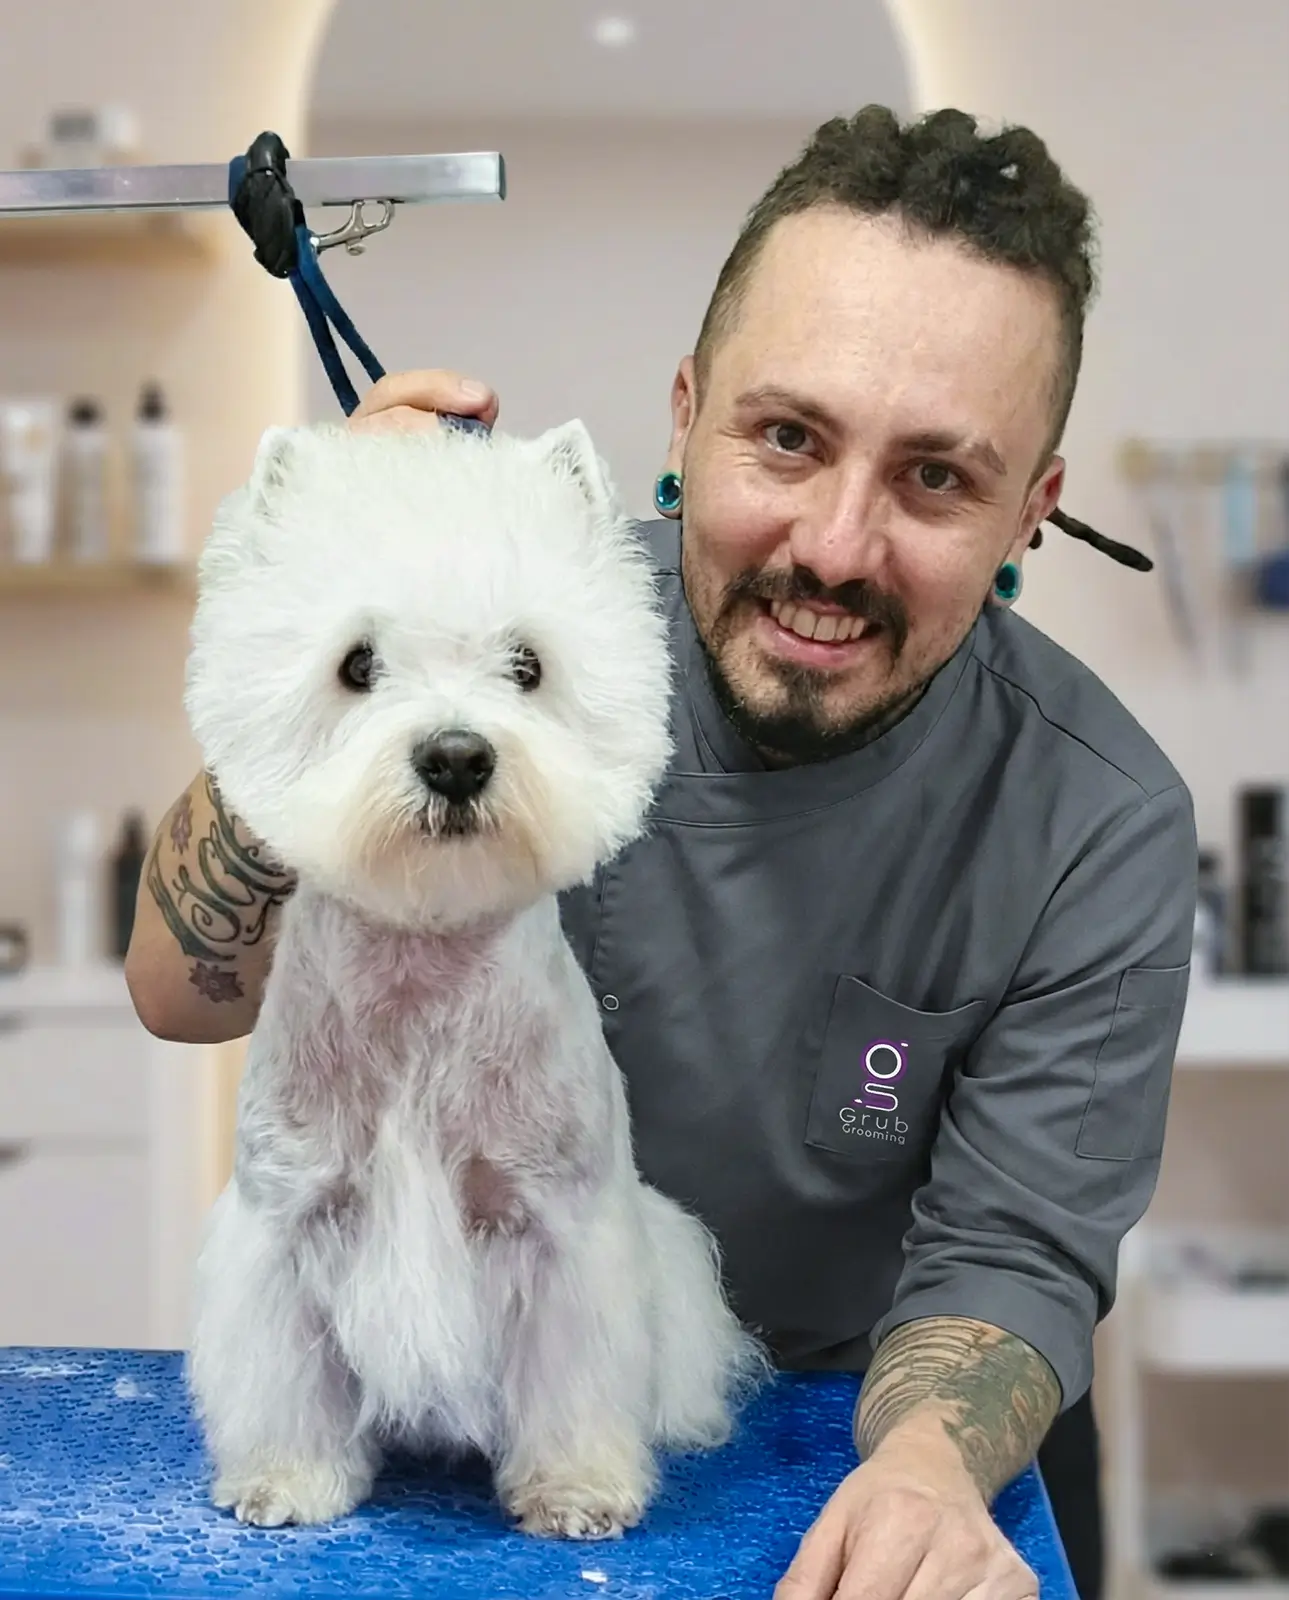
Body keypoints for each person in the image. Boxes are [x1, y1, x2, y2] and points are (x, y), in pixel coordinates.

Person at [125, 106, 1197, 1600]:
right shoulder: (532, 623)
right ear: (685, 417)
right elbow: (175, 994)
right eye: (789, 437)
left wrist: (928, 1474)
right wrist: (309, 629)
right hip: (431, 1462)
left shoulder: (1100, 817)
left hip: (885, 1449)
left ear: (1034, 510)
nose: (835, 545)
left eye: (938, 478)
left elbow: (1015, 1253)